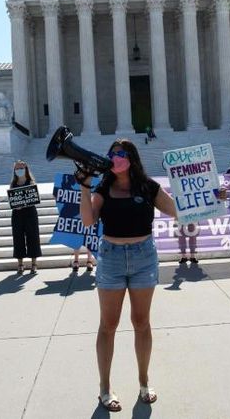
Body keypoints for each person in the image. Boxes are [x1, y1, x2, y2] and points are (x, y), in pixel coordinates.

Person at [78, 139, 177, 412]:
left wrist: (212, 197)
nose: (115, 157)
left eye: (120, 153)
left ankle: (144, 382)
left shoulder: (147, 187)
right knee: (108, 325)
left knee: (141, 322)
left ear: (131, 158)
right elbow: (88, 220)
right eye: (112, 153)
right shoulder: (103, 187)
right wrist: (84, 186)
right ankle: (104, 388)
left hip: (143, 256)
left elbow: (176, 210)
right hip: (111, 257)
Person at [10, 161, 42, 274]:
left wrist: (25, 204)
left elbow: (34, 197)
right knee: (18, 238)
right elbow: (12, 199)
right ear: (14, 170)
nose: (19, 170)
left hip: (30, 213)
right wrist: (16, 205)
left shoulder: (31, 182)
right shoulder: (13, 184)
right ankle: (20, 264)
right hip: (17, 214)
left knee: (33, 237)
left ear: (26, 169)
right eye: (17, 168)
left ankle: (34, 264)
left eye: (21, 168)